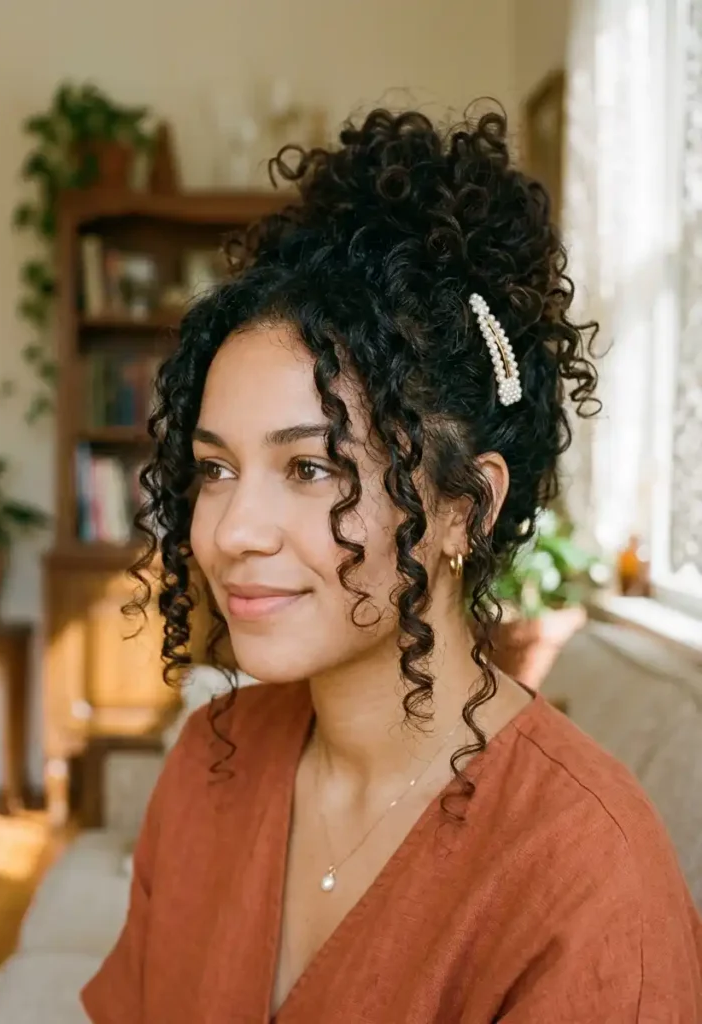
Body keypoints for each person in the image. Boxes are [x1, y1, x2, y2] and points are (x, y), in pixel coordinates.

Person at [81, 107, 702, 1023]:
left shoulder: (587, 876)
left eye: (310, 468)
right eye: (215, 468)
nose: (234, 530)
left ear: (466, 508)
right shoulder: (207, 769)